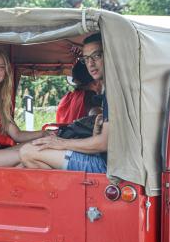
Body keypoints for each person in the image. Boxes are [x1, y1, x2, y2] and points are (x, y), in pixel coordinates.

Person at [19, 33, 108, 173]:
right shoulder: (100, 95)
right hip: (103, 156)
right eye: (86, 59)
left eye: (96, 56)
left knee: (27, 152)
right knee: (26, 160)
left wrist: (61, 143)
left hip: (106, 165)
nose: (90, 63)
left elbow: (104, 143)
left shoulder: (75, 96)